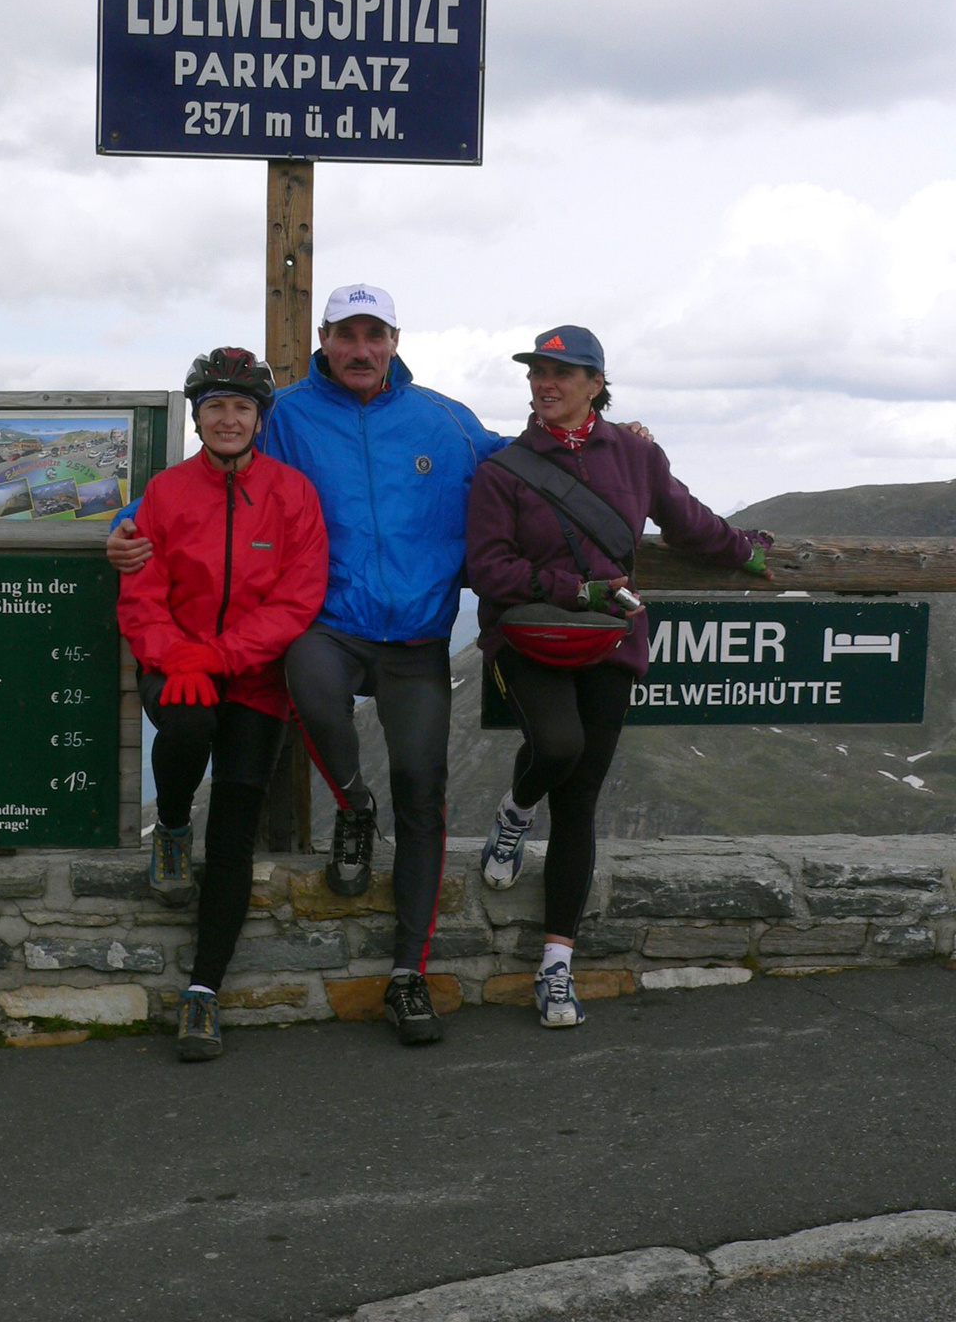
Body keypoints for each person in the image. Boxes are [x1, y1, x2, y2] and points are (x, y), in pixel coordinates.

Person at [110, 285, 505, 1046]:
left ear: (393, 339)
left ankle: (400, 976)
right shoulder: (283, 413)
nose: (361, 349)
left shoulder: (445, 419)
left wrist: (615, 444)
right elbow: (176, 502)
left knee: (421, 790)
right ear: (323, 338)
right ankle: (330, 810)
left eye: (375, 334)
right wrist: (125, 530)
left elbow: (520, 466)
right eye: (346, 335)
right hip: (318, 631)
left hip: (406, 635)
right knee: (269, 708)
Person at [466, 325, 773, 1030]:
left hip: (610, 643)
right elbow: (490, 569)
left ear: (596, 384)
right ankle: (513, 816)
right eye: (538, 373)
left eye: (562, 373)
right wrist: (579, 591)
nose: (546, 384)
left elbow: (685, 519)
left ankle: (555, 968)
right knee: (559, 748)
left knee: (580, 804)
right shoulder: (504, 470)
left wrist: (744, 553)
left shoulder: (635, 452)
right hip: (531, 637)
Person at [116, 348, 328, 1062]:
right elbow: (141, 590)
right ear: (198, 418)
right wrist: (178, 654)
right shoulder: (166, 493)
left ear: (260, 419)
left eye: (242, 407)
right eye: (215, 407)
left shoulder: (292, 494)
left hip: (256, 677)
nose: (229, 417)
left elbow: (298, 598)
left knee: (234, 830)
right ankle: (172, 826)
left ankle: (202, 994)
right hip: (174, 666)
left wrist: (221, 655)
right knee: (187, 722)